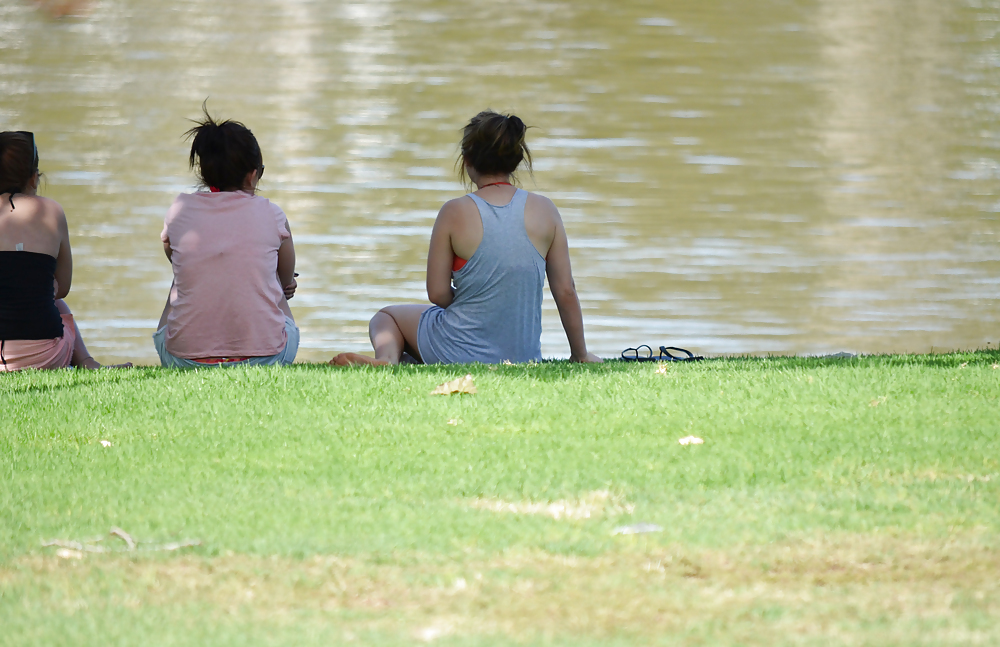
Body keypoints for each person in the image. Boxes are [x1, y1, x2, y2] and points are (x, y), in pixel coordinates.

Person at [332, 110, 601, 366]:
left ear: (468, 161)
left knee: (386, 316)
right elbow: (565, 291)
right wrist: (580, 354)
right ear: (516, 161)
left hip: (457, 348)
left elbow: (437, 293)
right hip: (523, 354)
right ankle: (404, 360)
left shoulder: (454, 211)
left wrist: (475, 307)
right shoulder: (546, 210)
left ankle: (387, 360)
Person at [154, 107, 299, 368]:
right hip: (266, 358)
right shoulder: (273, 214)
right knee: (274, 280)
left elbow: (172, 254)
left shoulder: (179, 210)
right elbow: (287, 281)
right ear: (253, 174)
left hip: (183, 361)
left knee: (179, 277)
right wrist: (280, 280)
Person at [0, 131, 130, 371]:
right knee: (56, 303)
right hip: (44, 355)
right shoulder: (51, 211)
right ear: (33, 177)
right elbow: (64, 287)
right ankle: (88, 363)